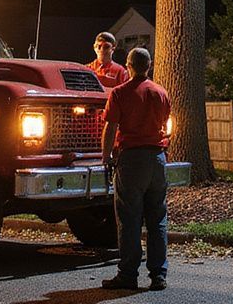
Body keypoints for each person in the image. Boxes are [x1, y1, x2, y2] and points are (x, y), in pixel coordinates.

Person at [100, 46, 171, 291]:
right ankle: (158, 275)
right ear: (148, 66)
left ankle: (128, 274)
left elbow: (110, 127)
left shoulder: (120, 93)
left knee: (129, 219)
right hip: (158, 158)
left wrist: (106, 156)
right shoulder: (161, 92)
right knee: (158, 218)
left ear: (128, 66)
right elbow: (167, 124)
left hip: (131, 159)